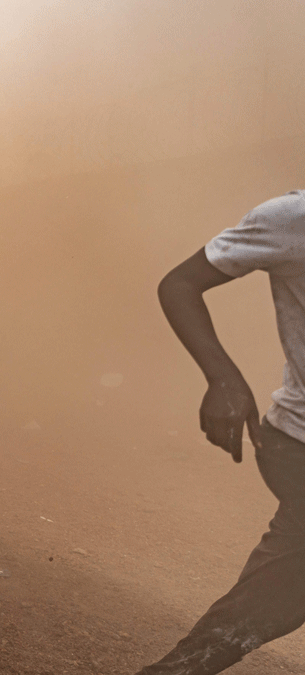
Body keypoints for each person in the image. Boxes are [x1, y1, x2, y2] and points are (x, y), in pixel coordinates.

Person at [135, 192, 305, 674]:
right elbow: (181, 283)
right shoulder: (293, 218)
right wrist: (224, 379)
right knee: (275, 596)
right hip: (300, 445)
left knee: (282, 594)